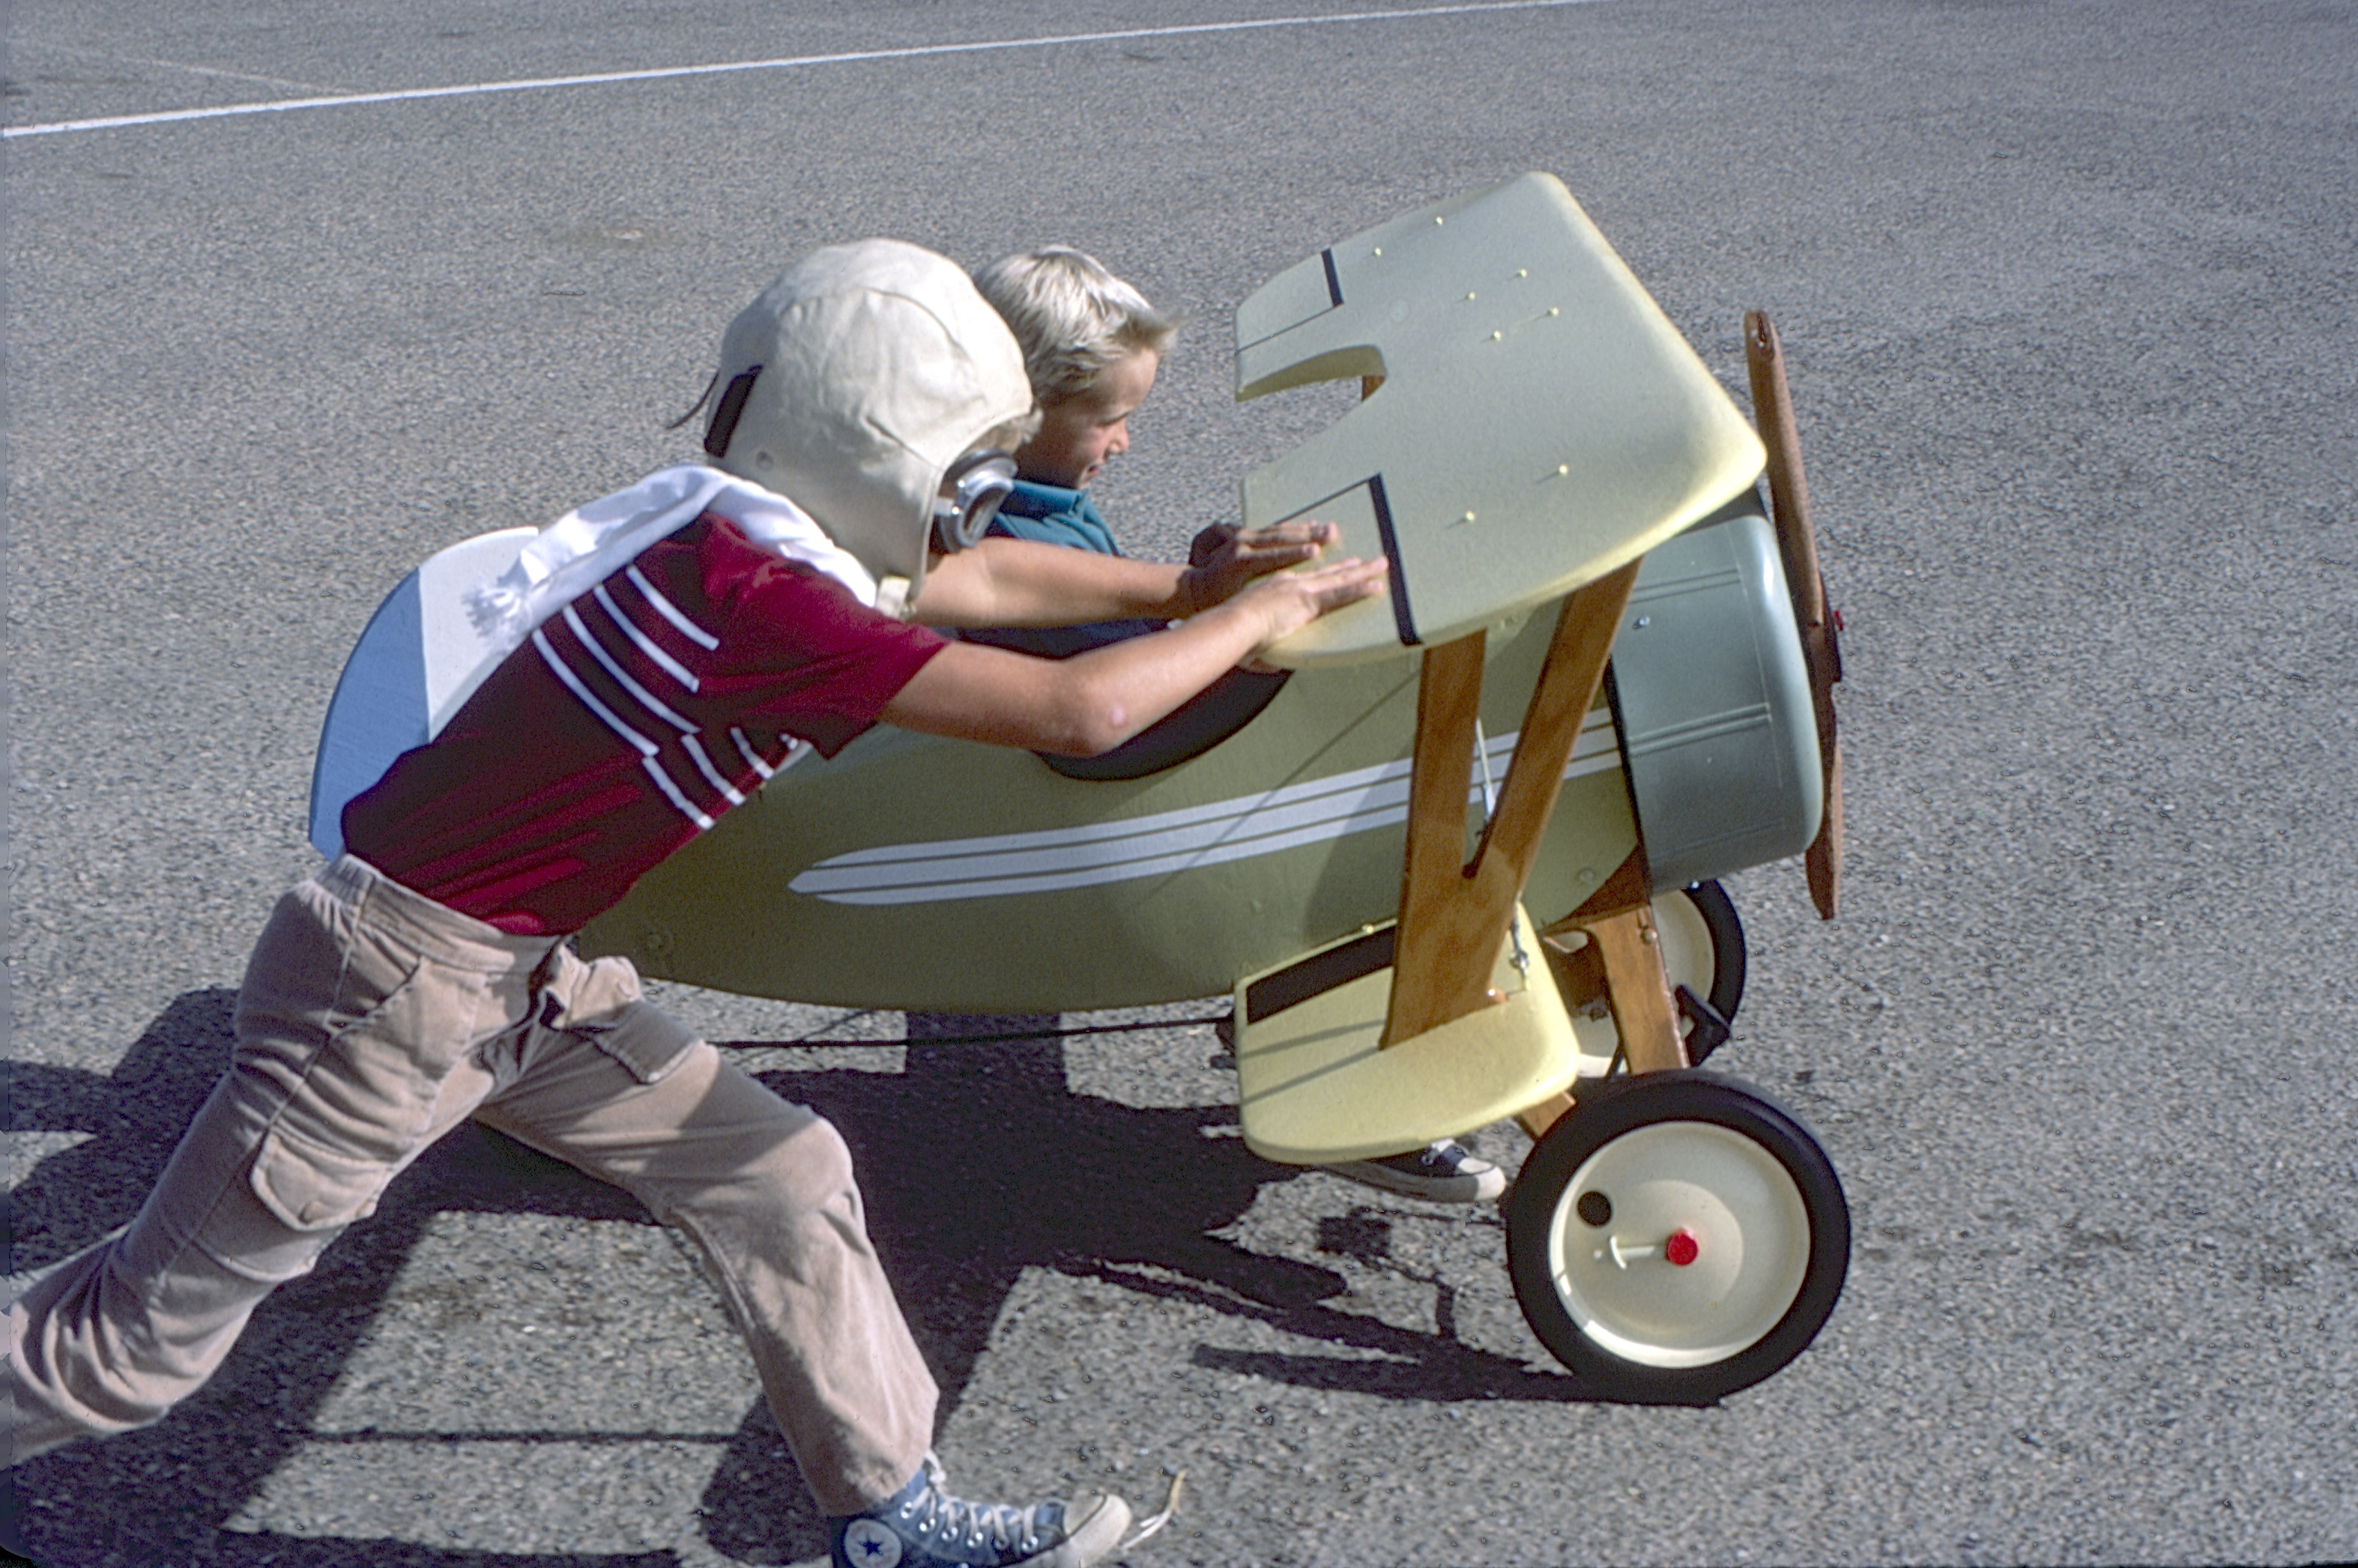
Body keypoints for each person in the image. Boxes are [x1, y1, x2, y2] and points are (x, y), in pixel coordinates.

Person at [4, 239, 1385, 1568]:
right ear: (890, 456)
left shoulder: (724, 525)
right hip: (393, 991)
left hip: (512, 973)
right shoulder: (762, 609)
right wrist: (1246, 620)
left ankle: (891, 1517)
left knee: (780, 1172)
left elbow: (974, 577)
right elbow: (1078, 712)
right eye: (966, 470)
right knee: (127, 1349)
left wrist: (1182, 588)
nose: (971, 503)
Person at [969, 246, 1505, 1205]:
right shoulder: (1007, 534)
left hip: (1135, 745)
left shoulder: (1028, 506)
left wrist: (1197, 587)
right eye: (1110, 419)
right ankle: (1350, 1077)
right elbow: (1124, 701)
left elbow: (1113, 628)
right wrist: (1250, 639)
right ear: (1025, 411)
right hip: (1126, 791)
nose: (1124, 443)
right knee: (1372, 808)